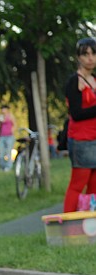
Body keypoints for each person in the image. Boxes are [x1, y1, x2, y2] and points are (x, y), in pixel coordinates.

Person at [63, 37, 96, 213]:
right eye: (85, 54)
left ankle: (90, 227)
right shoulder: (74, 81)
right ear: (78, 57)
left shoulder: (95, 80)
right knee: (77, 185)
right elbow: (76, 114)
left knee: (94, 186)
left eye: (93, 53)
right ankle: (66, 228)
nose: (90, 58)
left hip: (95, 138)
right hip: (81, 140)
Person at [0, 105, 16, 172]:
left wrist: (12, 131)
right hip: (2, 136)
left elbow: (14, 124)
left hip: (9, 136)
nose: (2, 110)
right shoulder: (1, 117)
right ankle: (2, 167)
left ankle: (8, 167)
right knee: (1, 152)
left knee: (8, 152)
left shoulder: (10, 116)